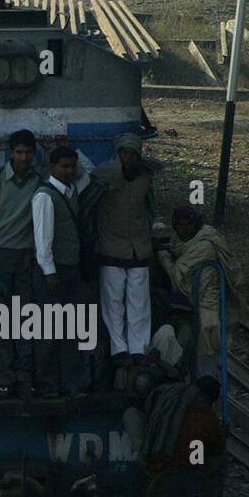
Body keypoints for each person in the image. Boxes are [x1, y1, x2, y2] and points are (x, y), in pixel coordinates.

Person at [0, 129, 42, 396]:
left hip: (27, 258)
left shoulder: (41, 179)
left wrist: (55, 149)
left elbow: (78, 176)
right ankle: (4, 377)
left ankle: (24, 376)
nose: (23, 157)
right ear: (10, 153)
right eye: (18, 152)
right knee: (1, 320)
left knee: (25, 319)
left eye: (28, 152)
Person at [90, 132, 159, 367]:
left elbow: (151, 209)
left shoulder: (145, 178)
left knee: (139, 302)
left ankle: (139, 349)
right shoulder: (104, 176)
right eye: (124, 153)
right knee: (113, 302)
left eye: (132, 153)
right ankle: (119, 349)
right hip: (110, 246)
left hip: (139, 248)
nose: (127, 158)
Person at [31, 144, 92, 397]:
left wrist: (74, 145)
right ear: (52, 167)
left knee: (70, 330)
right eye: (64, 166)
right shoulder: (45, 196)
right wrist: (49, 271)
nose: (69, 170)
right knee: (49, 331)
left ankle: (71, 383)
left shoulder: (71, 191)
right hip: (54, 274)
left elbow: (90, 172)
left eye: (71, 166)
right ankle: (47, 385)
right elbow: (42, 239)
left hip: (70, 271)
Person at [157, 205, 241, 379]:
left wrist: (163, 256)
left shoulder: (204, 246)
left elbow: (177, 277)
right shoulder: (189, 242)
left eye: (188, 224)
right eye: (179, 225)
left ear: (196, 225)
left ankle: (202, 390)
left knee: (206, 353)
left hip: (208, 308)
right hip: (197, 304)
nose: (183, 228)